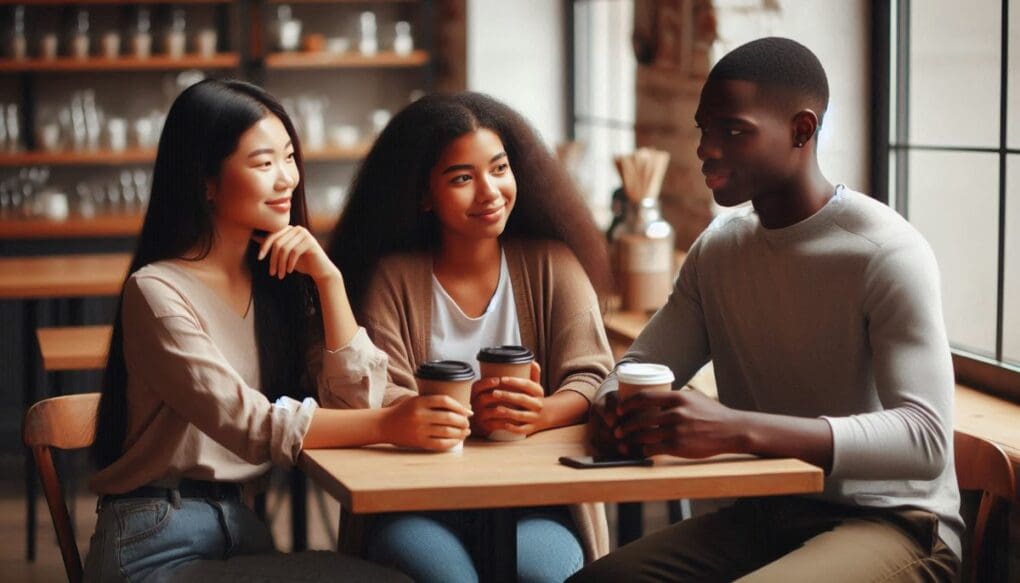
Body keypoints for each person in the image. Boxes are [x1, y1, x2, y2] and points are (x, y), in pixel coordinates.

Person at [571, 37, 962, 582]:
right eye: (703, 129)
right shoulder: (719, 249)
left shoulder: (886, 252)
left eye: (733, 130)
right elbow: (636, 371)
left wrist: (736, 430)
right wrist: (616, 412)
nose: (706, 147)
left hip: (894, 524)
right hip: (765, 515)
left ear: (802, 130)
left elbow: (925, 439)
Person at [85, 79, 469, 582]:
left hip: (240, 532)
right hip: (155, 540)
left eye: (289, 157)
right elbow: (252, 425)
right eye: (264, 163)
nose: (287, 178)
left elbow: (357, 402)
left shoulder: (276, 282)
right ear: (206, 181)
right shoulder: (156, 292)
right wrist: (389, 426)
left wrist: (329, 281)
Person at [328, 92, 615, 582]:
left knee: (540, 576)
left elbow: (596, 377)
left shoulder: (553, 264)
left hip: (536, 499)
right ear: (423, 195)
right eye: (462, 177)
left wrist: (541, 412)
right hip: (416, 501)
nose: (489, 191)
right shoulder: (393, 278)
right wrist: (465, 418)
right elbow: (381, 396)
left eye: (499, 168)